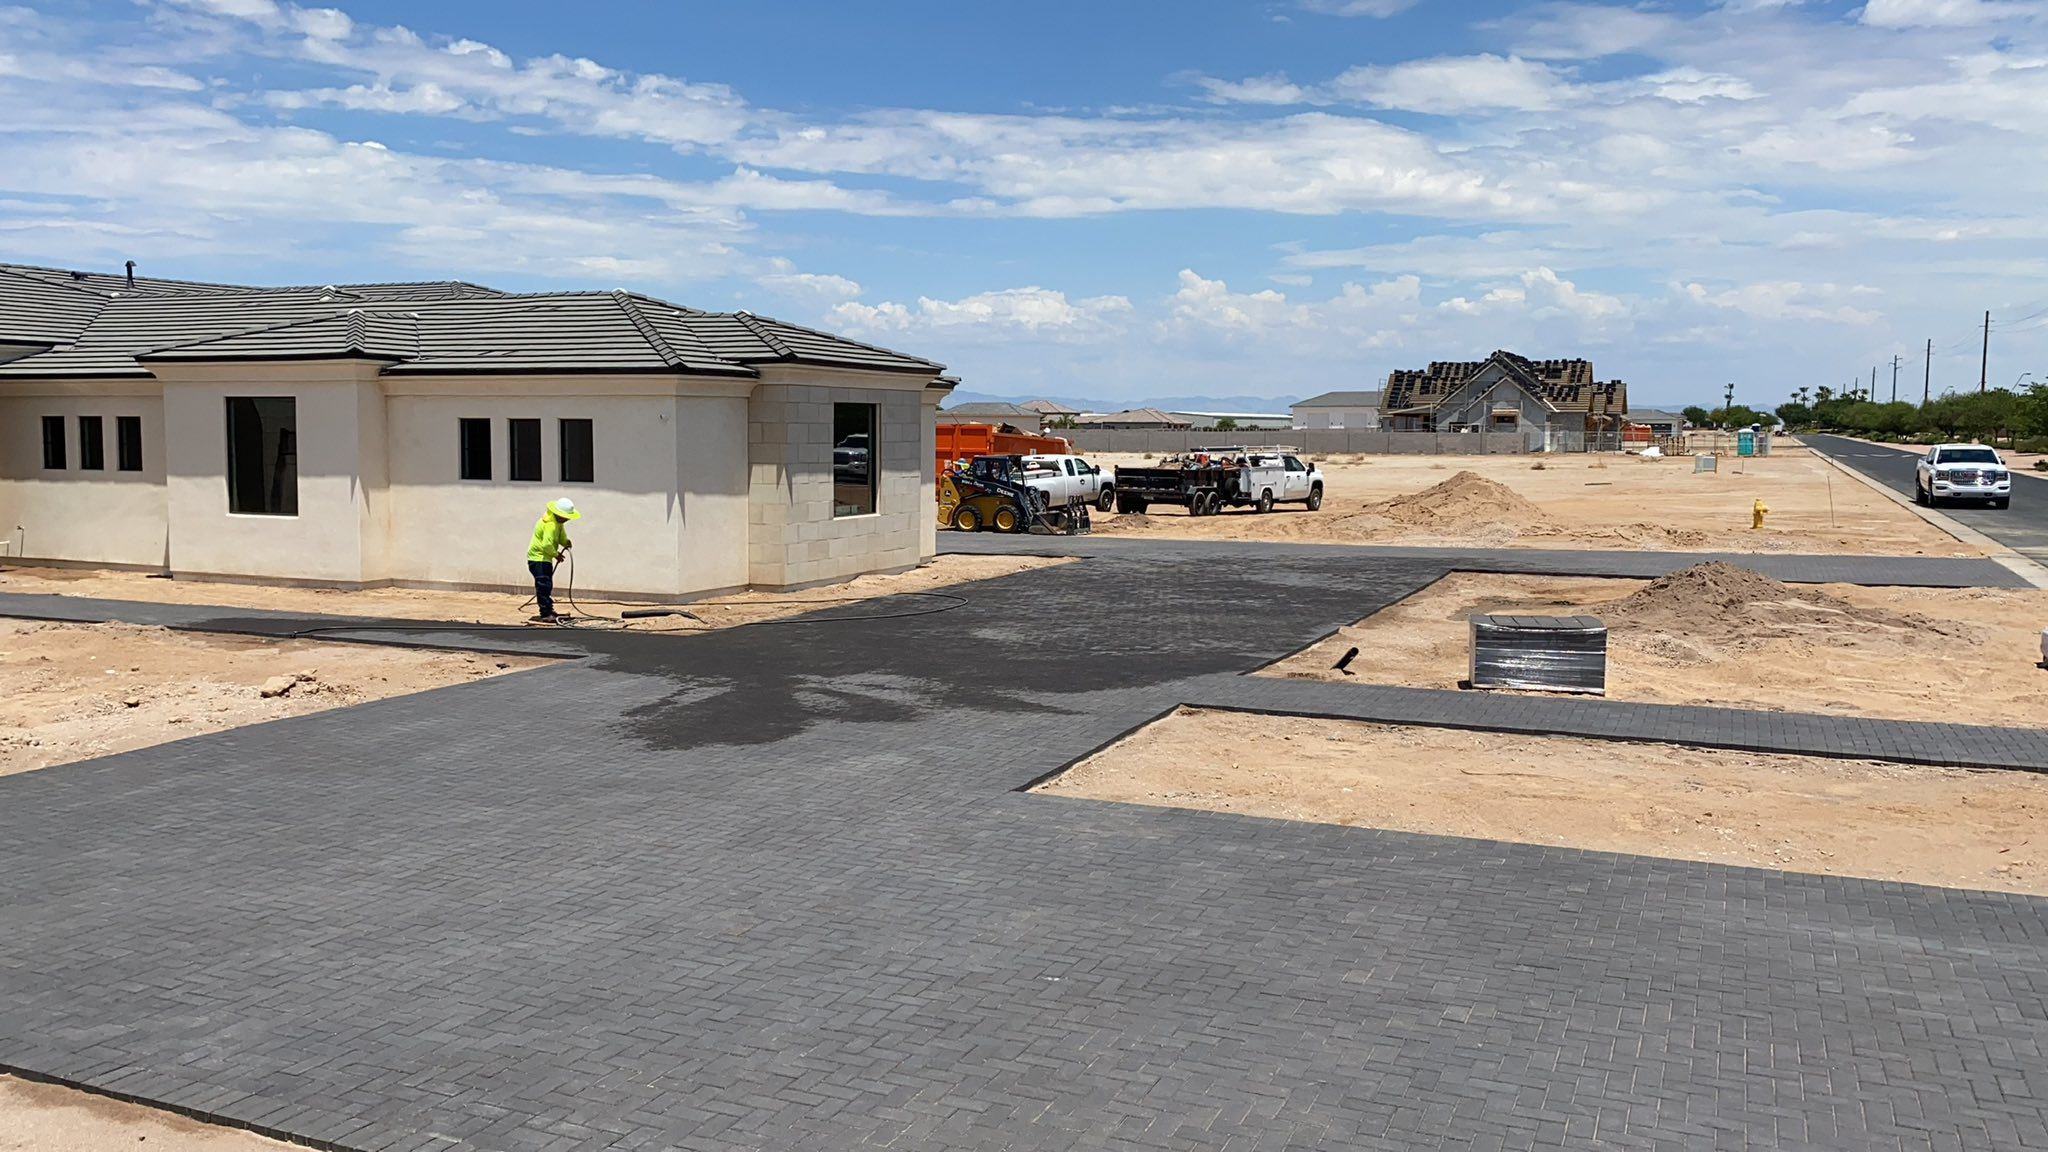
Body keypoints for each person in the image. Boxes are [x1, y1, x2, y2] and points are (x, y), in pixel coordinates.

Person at [526, 497, 581, 623]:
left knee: (547, 585)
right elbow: (546, 545)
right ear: (559, 514)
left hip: (545, 559)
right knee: (543, 586)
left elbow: (561, 537)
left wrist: (565, 542)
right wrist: (556, 554)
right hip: (538, 559)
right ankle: (545, 613)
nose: (567, 519)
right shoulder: (550, 524)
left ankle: (549, 610)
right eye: (566, 517)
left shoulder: (558, 523)